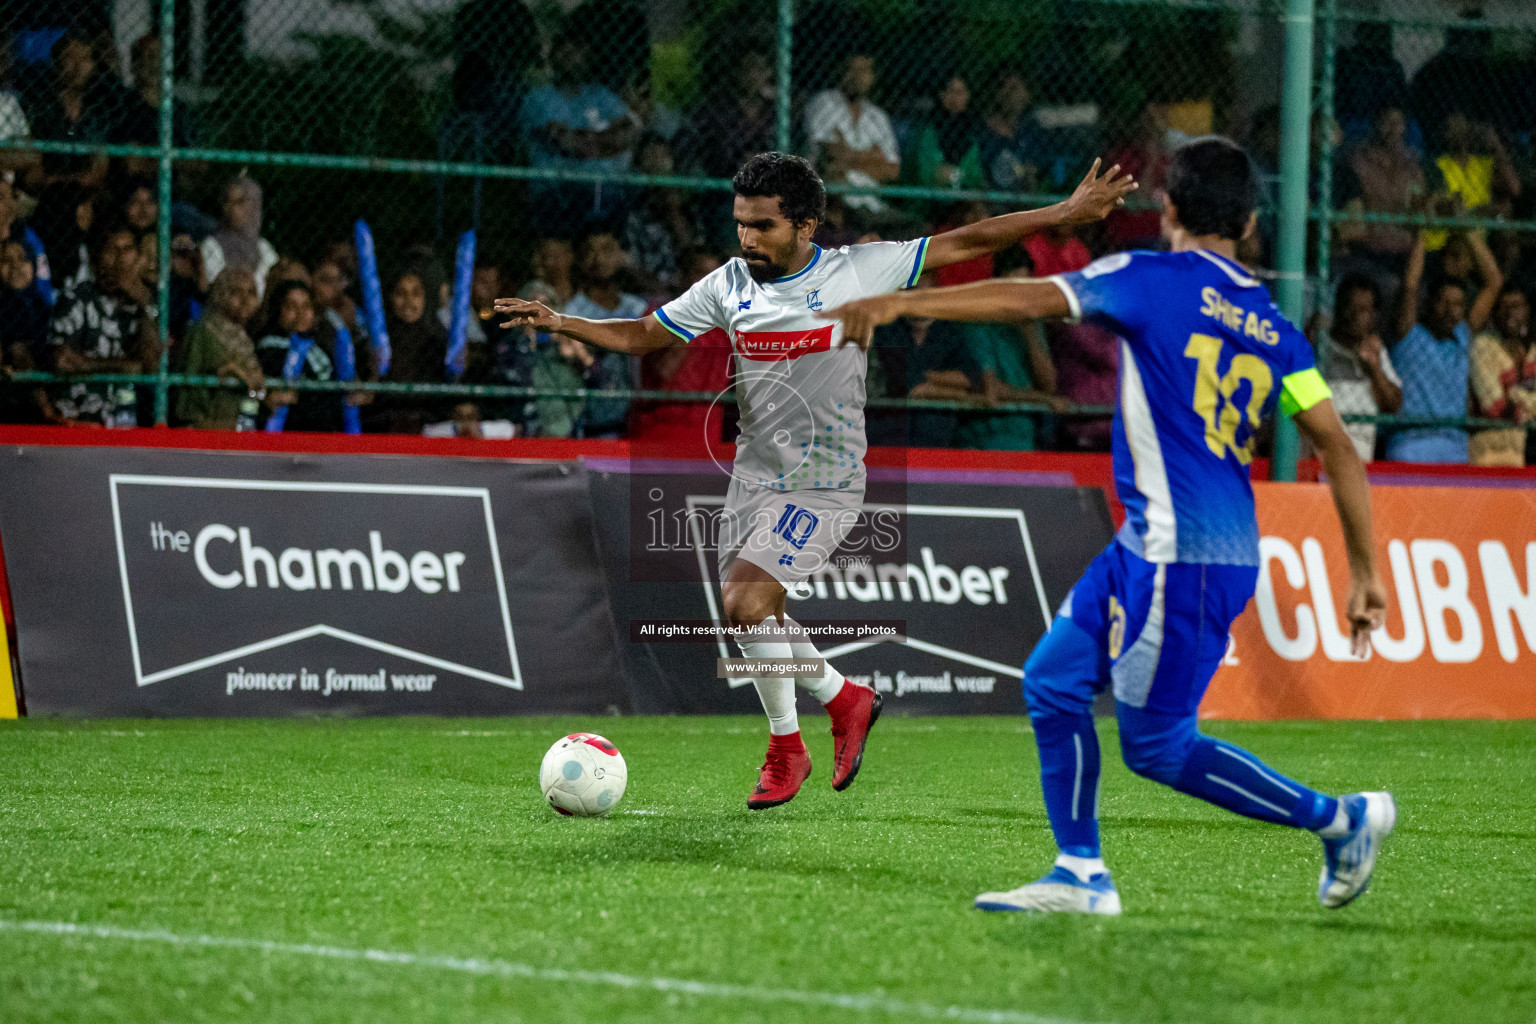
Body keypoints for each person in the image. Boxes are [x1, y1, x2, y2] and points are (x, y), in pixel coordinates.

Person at [822, 136, 1393, 916]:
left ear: (1168, 210)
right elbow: (1340, 450)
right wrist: (1366, 572)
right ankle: (1080, 873)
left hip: (1182, 555)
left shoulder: (1147, 277)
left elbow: (1034, 298)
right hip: (1160, 545)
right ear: (1253, 223)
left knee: (1157, 747)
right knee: (1054, 682)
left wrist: (902, 301)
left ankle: (1341, 819)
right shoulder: (1272, 327)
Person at [495, 151, 1136, 809]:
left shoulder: (858, 271)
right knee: (753, 616)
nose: (747, 239)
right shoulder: (729, 284)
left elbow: (968, 241)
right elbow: (642, 333)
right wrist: (562, 321)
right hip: (753, 476)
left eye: (764, 226)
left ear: (807, 226)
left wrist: (1061, 213)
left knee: (747, 603)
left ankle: (808, 726)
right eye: (741, 224)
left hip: (823, 482)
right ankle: (820, 720)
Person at [1388, 229, 1502, 463]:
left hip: (1454, 445)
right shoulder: (1410, 335)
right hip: (1410, 444)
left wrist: (1468, 230)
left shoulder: (1463, 336)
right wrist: (1423, 232)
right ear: (1429, 303)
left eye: (1458, 304)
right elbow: (1411, 283)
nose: (1450, 310)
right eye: (1443, 301)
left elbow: (1494, 282)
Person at [518, 31, 638, 234]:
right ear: (552, 56)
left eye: (577, 49)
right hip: (557, 192)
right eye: (564, 48)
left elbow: (629, 133)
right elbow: (564, 142)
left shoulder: (601, 96)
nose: (570, 55)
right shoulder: (539, 98)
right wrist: (607, 140)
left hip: (609, 190)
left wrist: (583, 139)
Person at [48, 220, 162, 427]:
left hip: (123, 417)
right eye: (111, 250)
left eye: (127, 250)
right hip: (78, 416)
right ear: (95, 260)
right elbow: (63, 361)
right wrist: (123, 365)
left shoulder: (143, 305)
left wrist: (145, 303)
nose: (120, 260)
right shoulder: (77, 298)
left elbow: (150, 365)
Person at [1314, 274, 1402, 462]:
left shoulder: (1376, 351)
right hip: (1320, 452)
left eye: (1363, 310)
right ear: (1337, 308)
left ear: (1374, 316)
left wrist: (1374, 371)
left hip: (1361, 455)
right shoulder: (1320, 345)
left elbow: (1393, 405)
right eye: (1349, 307)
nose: (1354, 316)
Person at [804, 53, 900, 214]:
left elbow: (892, 170)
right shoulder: (825, 103)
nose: (857, 77)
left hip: (873, 202)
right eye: (852, 70)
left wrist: (848, 155)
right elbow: (830, 155)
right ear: (841, 72)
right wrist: (872, 156)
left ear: (872, 77)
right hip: (834, 199)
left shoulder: (878, 116)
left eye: (864, 71)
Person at [176, 267, 264, 430]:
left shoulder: (243, 336)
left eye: (251, 292)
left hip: (238, 421)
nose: (245, 300)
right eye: (236, 292)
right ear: (220, 294)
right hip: (205, 422)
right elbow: (190, 376)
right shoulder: (205, 329)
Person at [254, 280, 346, 433]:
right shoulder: (269, 348)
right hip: (291, 430)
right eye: (291, 306)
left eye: (306, 306)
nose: (300, 313)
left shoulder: (319, 346)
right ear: (278, 310)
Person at [1469, 285, 1534, 467]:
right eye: (1503, 308)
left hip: (1521, 456)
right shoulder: (1482, 347)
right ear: (1493, 314)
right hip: (1487, 456)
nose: (1510, 313)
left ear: (1527, 310)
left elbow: (1512, 405)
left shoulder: (1532, 353)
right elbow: (1495, 408)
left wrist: (1513, 395)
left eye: (1517, 306)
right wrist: (1529, 404)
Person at [200, 174, 280, 298]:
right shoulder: (211, 245)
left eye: (240, 202)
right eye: (227, 201)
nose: (231, 208)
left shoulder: (263, 247)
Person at [908, 74, 984, 191]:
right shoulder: (927, 129)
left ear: (967, 96)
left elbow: (975, 176)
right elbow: (924, 172)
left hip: (962, 198)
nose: (954, 98)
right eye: (950, 91)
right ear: (941, 95)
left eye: (959, 93)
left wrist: (953, 175)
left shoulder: (973, 132)